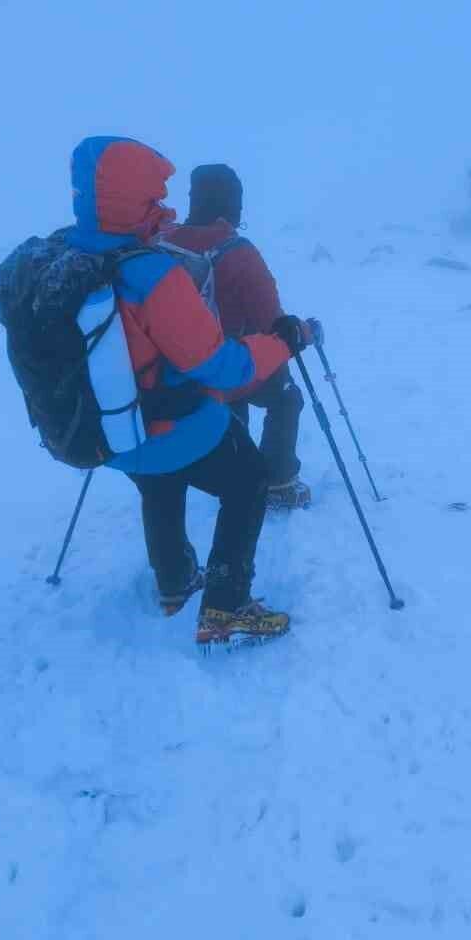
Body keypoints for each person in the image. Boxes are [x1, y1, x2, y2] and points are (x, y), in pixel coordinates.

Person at [65, 135, 309, 646]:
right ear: (131, 197)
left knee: (158, 478)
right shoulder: (150, 271)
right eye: (152, 196)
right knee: (248, 478)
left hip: (111, 426)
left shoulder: (69, 255)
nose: (163, 205)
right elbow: (222, 369)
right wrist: (286, 342)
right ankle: (226, 606)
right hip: (173, 417)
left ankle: (174, 583)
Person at [162, 163, 314, 512]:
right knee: (285, 395)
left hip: (170, 371)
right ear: (233, 205)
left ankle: (232, 463)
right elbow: (274, 326)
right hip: (223, 364)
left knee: (232, 395)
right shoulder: (238, 251)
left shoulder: (163, 243)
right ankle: (279, 481)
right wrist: (305, 331)